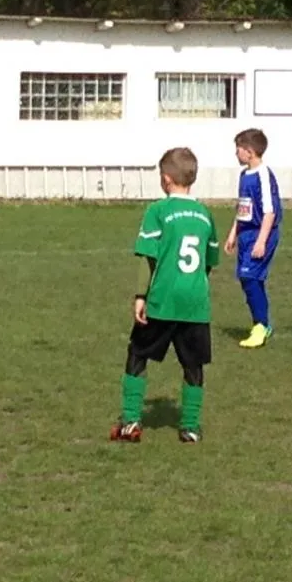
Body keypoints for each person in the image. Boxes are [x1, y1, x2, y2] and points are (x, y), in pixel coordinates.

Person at [112, 147, 219, 444]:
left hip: (163, 300)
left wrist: (140, 296)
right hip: (195, 303)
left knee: (137, 354)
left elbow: (149, 258)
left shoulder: (157, 211)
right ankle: (191, 427)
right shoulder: (205, 214)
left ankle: (131, 420)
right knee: (193, 364)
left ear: (166, 179)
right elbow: (209, 261)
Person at [222, 128, 281, 348]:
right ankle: (261, 323)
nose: (235, 153)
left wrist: (261, 241)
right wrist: (233, 233)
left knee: (249, 277)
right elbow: (243, 208)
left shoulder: (263, 175)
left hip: (261, 232)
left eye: (238, 149)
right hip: (246, 234)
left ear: (249, 151)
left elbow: (270, 212)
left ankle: (261, 325)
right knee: (249, 279)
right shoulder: (244, 175)